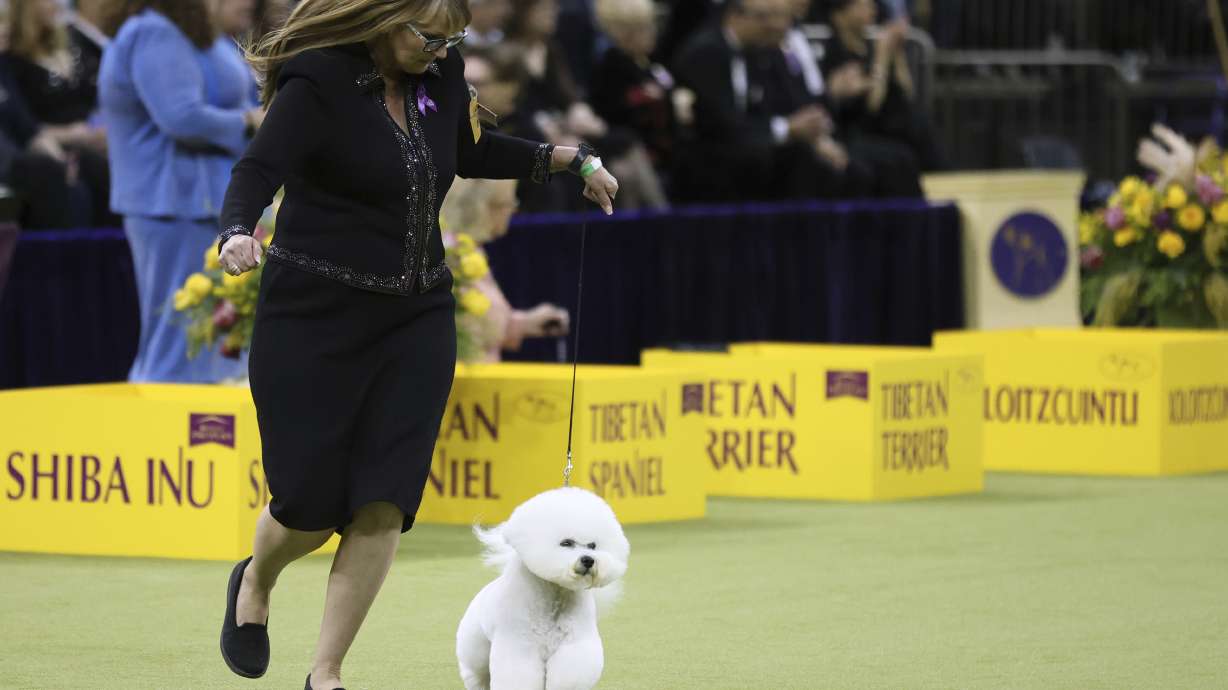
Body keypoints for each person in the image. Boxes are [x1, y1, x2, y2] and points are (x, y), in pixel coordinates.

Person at [213, 1, 619, 688]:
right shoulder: (317, 79)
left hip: (416, 315)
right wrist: (235, 231)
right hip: (316, 313)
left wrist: (568, 160)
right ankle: (256, 579)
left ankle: (326, 673)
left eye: (451, 38)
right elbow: (259, 167)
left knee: (384, 500)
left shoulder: (442, 73)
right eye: (429, 37)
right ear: (383, 20)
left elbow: (469, 152)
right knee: (308, 503)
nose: (442, 50)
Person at [98, 0, 261, 383]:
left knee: (217, 339)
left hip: (207, 201)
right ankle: (155, 433)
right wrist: (252, 122)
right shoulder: (152, 32)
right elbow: (180, 116)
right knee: (175, 338)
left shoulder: (203, 37)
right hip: (168, 204)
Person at [671, 0, 871, 202]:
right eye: (762, 17)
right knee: (800, 158)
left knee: (840, 164)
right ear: (735, 16)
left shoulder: (752, 51)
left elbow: (764, 110)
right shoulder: (707, 52)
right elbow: (724, 125)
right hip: (710, 154)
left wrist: (807, 134)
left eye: (776, 17)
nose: (772, 25)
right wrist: (788, 129)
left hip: (744, 145)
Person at [440, 177, 569, 362]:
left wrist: (525, 323)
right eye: (509, 203)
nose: (514, 210)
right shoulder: (452, 256)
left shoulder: (471, 252)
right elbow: (470, 328)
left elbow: (482, 319)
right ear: (485, 207)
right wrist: (522, 323)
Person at [8, 0, 113, 225]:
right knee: (84, 177)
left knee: (109, 170)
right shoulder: (12, 59)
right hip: (50, 147)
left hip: (98, 139)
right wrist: (73, 136)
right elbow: (20, 125)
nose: (57, 4)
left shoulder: (78, 41)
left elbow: (109, 91)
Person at [823, 0, 944, 170]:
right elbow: (872, 106)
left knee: (920, 124)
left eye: (871, 4)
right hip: (862, 129)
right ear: (839, 16)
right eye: (861, 5)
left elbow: (906, 93)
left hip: (893, 124)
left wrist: (897, 54)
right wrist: (882, 57)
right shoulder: (835, 52)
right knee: (908, 144)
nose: (871, 9)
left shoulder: (870, 46)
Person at [591, 0, 678, 171]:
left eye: (653, 25)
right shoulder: (612, 64)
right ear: (624, 33)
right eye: (644, 28)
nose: (653, 32)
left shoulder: (650, 61)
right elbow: (611, 110)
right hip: (632, 145)